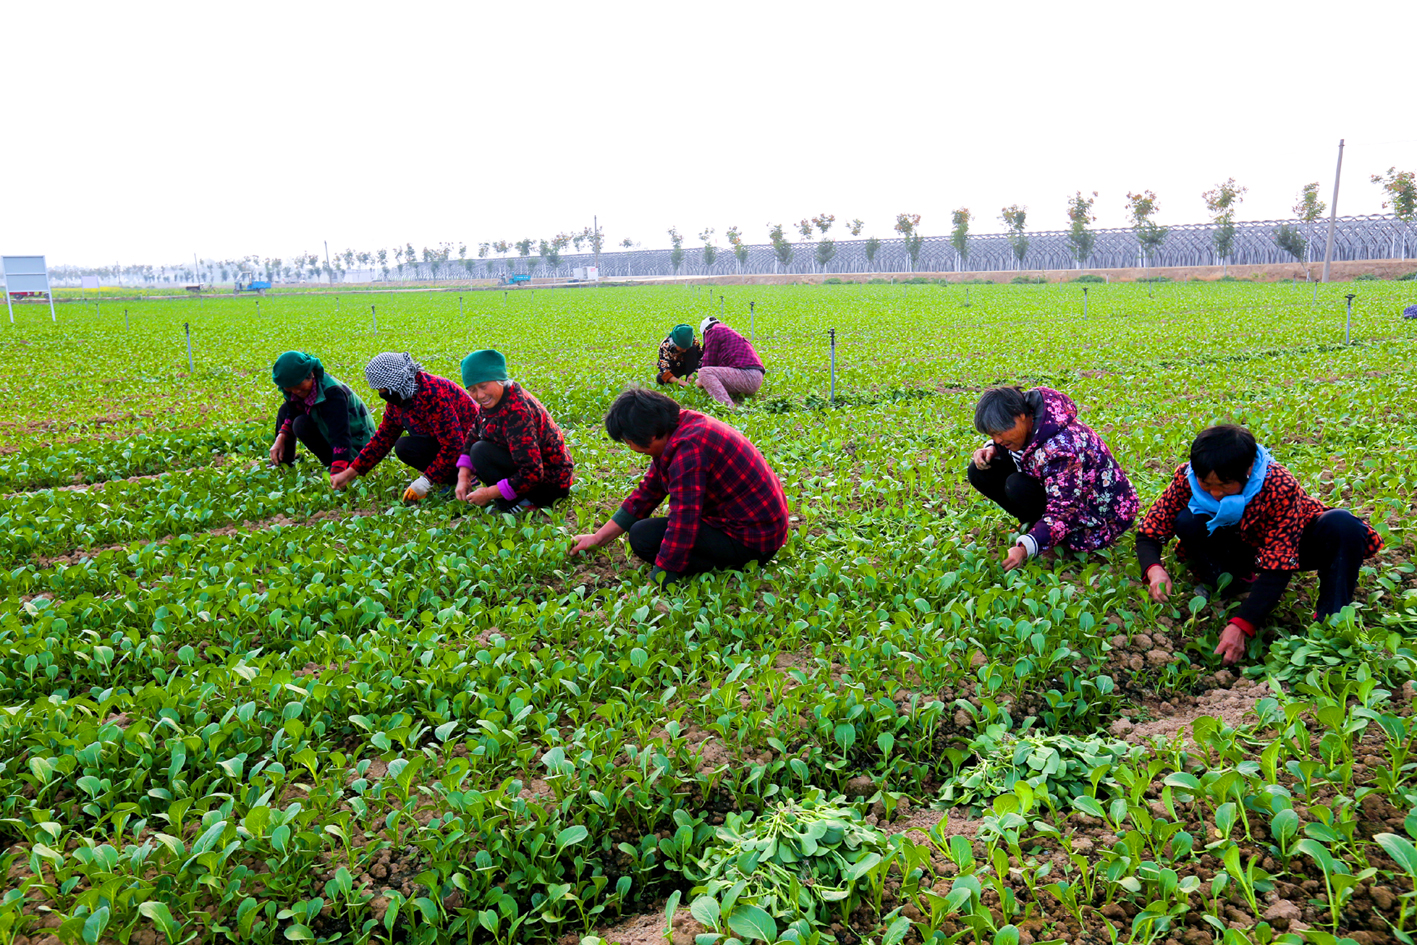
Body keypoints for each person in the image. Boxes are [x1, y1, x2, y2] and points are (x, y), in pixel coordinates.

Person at [1136, 424, 1382, 664]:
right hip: (1238, 546)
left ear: (1249, 469)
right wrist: (1154, 568)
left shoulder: (1278, 485)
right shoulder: (1186, 478)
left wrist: (1243, 624)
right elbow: (1151, 529)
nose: (1215, 494)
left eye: (1224, 485)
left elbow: (1279, 563)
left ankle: (1331, 623)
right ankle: (1230, 580)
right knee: (1188, 520)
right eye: (1206, 484)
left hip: (1292, 544)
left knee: (1342, 525)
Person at [571, 388, 789, 585]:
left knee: (644, 538)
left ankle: (732, 567)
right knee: (645, 533)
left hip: (752, 541)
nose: (630, 447)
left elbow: (684, 522)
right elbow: (647, 492)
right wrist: (597, 538)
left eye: (629, 441)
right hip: (752, 527)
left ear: (651, 434)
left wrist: (657, 582)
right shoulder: (679, 429)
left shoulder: (689, 449)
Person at [967, 386, 1138, 571]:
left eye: (999, 433)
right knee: (980, 471)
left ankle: (1058, 540)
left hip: (1100, 514)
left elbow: (1065, 510)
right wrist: (992, 448)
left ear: (1021, 415)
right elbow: (1021, 451)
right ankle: (1039, 528)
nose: (998, 439)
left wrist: (1025, 549)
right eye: (992, 435)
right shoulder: (1031, 422)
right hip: (1062, 492)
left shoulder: (1061, 448)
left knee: (1017, 485)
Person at [329, 352, 479, 501]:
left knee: (408, 446)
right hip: (447, 443)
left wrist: (426, 480)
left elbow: (454, 444)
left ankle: (469, 477)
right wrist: (351, 472)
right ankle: (450, 478)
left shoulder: (431, 394)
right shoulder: (400, 399)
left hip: (473, 446)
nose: (381, 393)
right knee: (405, 447)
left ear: (396, 383)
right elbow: (383, 438)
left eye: (383, 389)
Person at [455, 349, 575, 513]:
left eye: (483, 386)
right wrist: (463, 477)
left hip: (551, 483)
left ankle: (523, 504)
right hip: (530, 471)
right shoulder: (492, 402)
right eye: (472, 389)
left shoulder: (516, 412)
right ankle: (512, 499)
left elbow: (532, 473)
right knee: (478, 449)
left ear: (499, 379)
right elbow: (473, 435)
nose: (480, 395)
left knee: (480, 451)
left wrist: (489, 493)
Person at [268, 351, 376, 483]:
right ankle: (283, 463)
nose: (296, 392)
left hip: (357, 446)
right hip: (336, 435)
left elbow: (341, 437)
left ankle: (336, 465)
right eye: (290, 389)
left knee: (301, 424)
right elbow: (292, 410)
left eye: (299, 386)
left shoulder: (333, 394)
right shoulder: (295, 390)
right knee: (284, 410)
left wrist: (338, 473)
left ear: (311, 374)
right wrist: (282, 436)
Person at [695, 316, 764, 406]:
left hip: (747, 375)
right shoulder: (726, 331)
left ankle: (726, 406)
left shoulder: (714, 331)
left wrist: (700, 381)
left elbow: (708, 364)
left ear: (705, 331)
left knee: (704, 372)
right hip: (756, 376)